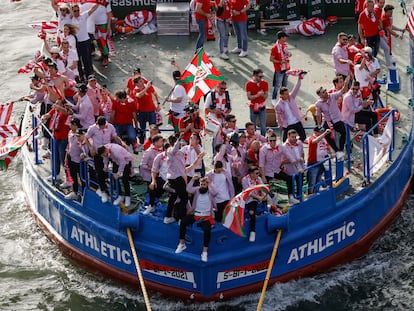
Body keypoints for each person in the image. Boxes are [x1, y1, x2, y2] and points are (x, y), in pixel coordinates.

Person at [175, 176, 217, 263]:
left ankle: (204, 252)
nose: (202, 186)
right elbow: (188, 189)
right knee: (183, 222)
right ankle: (182, 244)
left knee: (207, 230)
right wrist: (193, 180)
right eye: (201, 184)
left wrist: (210, 183)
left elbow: (216, 192)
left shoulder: (210, 191)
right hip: (196, 214)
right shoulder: (197, 190)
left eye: (204, 184)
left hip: (206, 216)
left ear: (207, 185)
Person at [85, 116, 126, 203]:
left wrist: (121, 142)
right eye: (100, 126)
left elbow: (115, 136)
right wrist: (90, 148)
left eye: (102, 126)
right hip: (98, 153)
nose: (101, 128)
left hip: (108, 152)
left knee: (115, 171)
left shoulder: (110, 127)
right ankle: (103, 191)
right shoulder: (92, 128)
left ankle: (120, 193)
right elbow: (86, 137)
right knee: (99, 172)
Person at [315, 75, 350, 161]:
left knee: (343, 132)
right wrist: (319, 125)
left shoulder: (332, 96)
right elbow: (318, 114)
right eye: (323, 92)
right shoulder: (318, 104)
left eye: (325, 91)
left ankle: (341, 150)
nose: (326, 92)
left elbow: (342, 91)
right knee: (326, 135)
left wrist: (346, 83)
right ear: (320, 95)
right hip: (328, 120)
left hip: (337, 119)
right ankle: (337, 150)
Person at [258, 132, 299, 204]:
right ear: (268, 141)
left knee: (289, 178)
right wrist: (263, 176)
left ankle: (290, 197)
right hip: (267, 171)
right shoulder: (263, 149)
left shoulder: (280, 147)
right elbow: (261, 164)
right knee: (264, 185)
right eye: (271, 141)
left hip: (277, 170)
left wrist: (298, 168)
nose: (272, 142)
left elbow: (289, 156)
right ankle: (269, 200)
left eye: (274, 140)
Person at [71, 3, 99, 81]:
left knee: (87, 59)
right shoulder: (70, 19)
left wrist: (98, 2)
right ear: (72, 11)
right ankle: (80, 75)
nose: (76, 12)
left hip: (85, 41)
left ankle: (89, 75)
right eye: (75, 11)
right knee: (78, 60)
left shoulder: (83, 16)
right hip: (76, 43)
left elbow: (93, 9)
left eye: (78, 10)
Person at [274, 74, 306, 142]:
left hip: (297, 121)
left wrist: (299, 79)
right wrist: (280, 124)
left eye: (288, 93)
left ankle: (294, 142)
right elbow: (278, 116)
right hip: (288, 124)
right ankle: (291, 144)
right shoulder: (278, 105)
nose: (288, 95)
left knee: (303, 137)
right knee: (285, 141)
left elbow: (296, 89)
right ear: (281, 95)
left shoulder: (291, 97)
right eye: (286, 94)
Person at [143, 141, 170, 215]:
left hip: (171, 180)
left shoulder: (176, 157)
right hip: (162, 178)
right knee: (152, 187)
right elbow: (154, 170)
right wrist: (153, 181)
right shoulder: (159, 157)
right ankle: (151, 205)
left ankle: (171, 213)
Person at [242, 166, 267, 242]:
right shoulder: (245, 180)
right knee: (251, 212)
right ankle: (253, 231)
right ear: (251, 174)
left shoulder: (258, 179)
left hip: (258, 197)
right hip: (249, 199)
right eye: (256, 173)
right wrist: (258, 197)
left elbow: (263, 188)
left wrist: (263, 196)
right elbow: (248, 192)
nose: (258, 175)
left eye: (258, 173)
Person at [133, 76, 159, 144]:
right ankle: (143, 143)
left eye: (142, 80)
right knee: (142, 129)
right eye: (140, 81)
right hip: (142, 112)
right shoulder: (135, 90)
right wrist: (147, 87)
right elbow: (139, 95)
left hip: (151, 111)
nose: (143, 82)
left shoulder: (148, 86)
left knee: (153, 128)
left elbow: (155, 93)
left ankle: (154, 142)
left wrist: (158, 104)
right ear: (136, 84)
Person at [306, 127, 331, 195]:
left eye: (322, 132)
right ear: (315, 132)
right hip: (313, 163)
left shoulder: (323, 139)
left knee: (318, 180)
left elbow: (328, 147)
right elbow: (315, 141)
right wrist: (325, 133)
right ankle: (310, 194)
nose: (321, 133)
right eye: (320, 132)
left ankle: (316, 192)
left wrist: (332, 152)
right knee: (312, 181)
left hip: (321, 163)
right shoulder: (311, 138)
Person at [65, 121, 86, 200]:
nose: (70, 126)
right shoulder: (70, 133)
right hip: (71, 158)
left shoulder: (82, 137)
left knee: (82, 178)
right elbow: (69, 144)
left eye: (71, 124)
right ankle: (75, 192)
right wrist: (66, 157)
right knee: (73, 176)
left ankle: (84, 195)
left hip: (79, 161)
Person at [245, 69, 269, 136]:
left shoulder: (265, 83)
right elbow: (249, 97)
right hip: (253, 107)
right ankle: (253, 139)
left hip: (262, 106)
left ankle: (263, 139)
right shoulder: (249, 84)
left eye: (262, 76)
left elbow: (266, 96)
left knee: (263, 126)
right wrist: (258, 95)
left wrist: (262, 95)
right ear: (255, 76)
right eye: (260, 76)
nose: (261, 78)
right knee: (253, 125)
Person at [283, 129, 305, 198]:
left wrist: (301, 159)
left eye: (295, 137)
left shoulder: (299, 143)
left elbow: (302, 153)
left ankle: (300, 197)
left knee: (300, 185)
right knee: (291, 187)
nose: (294, 139)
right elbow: (282, 161)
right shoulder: (284, 147)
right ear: (288, 136)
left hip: (300, 169)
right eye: (292, 137)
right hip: (290, 171)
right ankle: (292, 199)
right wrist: (295, 161)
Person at [270, 31, 291, 99]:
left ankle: (283, 98)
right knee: (277, 86)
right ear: (281, 38)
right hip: (279, 69)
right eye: (285, 37)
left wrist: (289, 54)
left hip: (286, 68)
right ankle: (274, 98)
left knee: (284, 85)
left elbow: (288, 54)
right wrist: (280, 62)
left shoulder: (285, 45)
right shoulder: (274, 48)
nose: (286, 39)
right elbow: (271, 59)